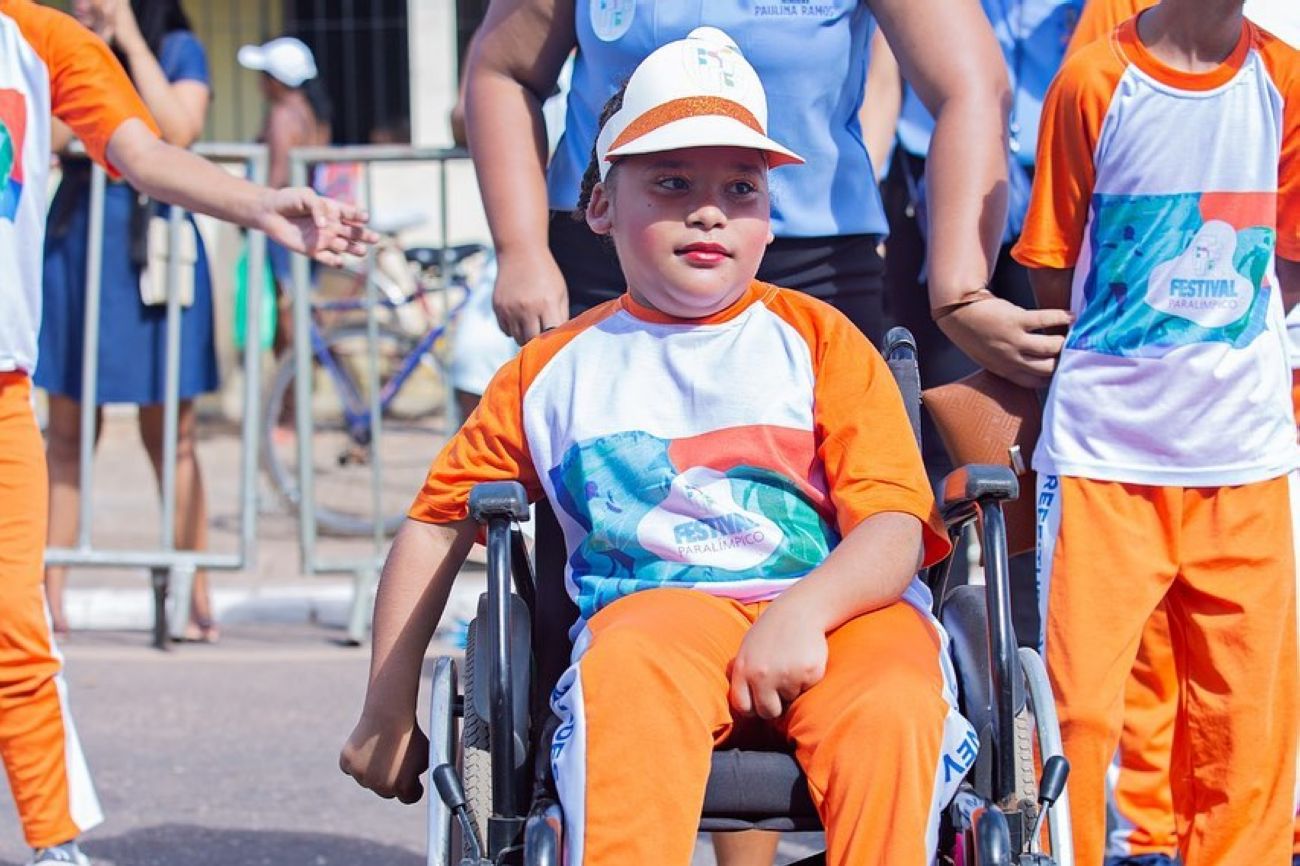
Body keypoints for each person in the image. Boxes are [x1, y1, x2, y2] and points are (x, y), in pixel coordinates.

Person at [342, 28, 977, 865]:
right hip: (657, 619)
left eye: (740, 187)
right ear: (601, 206)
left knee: (895, 698)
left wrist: (802, 613)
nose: (708, 210)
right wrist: (386, 706)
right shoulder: (552, 371)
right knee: (629, 672)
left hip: (836, 615)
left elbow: (894, 528)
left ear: (769, 214)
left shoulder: (822, 340)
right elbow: (436, 522)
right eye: (671, 182)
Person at [0, 1, 373, 862]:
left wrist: (259, 205)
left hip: (3, 384)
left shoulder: (40, 41)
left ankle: (53, 843)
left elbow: (146, 151)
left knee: (16, 628)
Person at [1012, 0, 1300, 862]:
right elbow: (1054, 268)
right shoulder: (1093, 81)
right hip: (1106, 459)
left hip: (1244, 460)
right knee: (1075, 715)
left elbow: (1286, 262)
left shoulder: (1286, 81)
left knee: (1244, 725)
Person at [464, 0, 1029, 367]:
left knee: (828, 498)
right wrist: (520, 251)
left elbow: (971, 85)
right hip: (611, 258)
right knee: (595, 497)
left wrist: (960, 292)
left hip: (811, 266)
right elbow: (503, 71)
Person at [881, 0, 1084, 649]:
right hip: (931, 185)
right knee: (940, 423)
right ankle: (932, 632)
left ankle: (1029, 645)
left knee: (1047, 442)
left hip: (1065, 184)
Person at [38, 0, 219, 642]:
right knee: (65, 433)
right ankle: (49, 597)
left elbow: (179, 130)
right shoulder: (65, 47)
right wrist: (86, 47)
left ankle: (196, 592)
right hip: (78, 244)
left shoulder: (177, 49)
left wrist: (130, 42)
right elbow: (47, 137)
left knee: (174, 435)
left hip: (157, 250)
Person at [237, 35, 332, 358]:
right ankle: (301, 382)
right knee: (302, 304)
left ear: (277, 80)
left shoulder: (283, 116)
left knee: (287, 308)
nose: (260, 84)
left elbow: (276, 177)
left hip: (288, 223)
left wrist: (249, 210)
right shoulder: (312, 113)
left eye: (264, 76)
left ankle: (291, 386)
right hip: (308, 218)